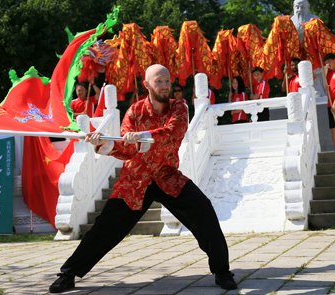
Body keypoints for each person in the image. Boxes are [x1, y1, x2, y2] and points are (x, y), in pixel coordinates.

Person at [49, 64, 237, 293]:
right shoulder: (134, 112)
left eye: (167, 81)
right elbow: (127, 151)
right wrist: (102, 142)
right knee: (104, 229)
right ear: (147, 85)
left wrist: (144, 135)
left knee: (203, 210)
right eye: (159, 81)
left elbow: (175, 132)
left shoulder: (179, 107)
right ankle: (68, 274)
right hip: (135, 180)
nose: (165, 85)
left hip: (167, 177)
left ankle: (222, 271)